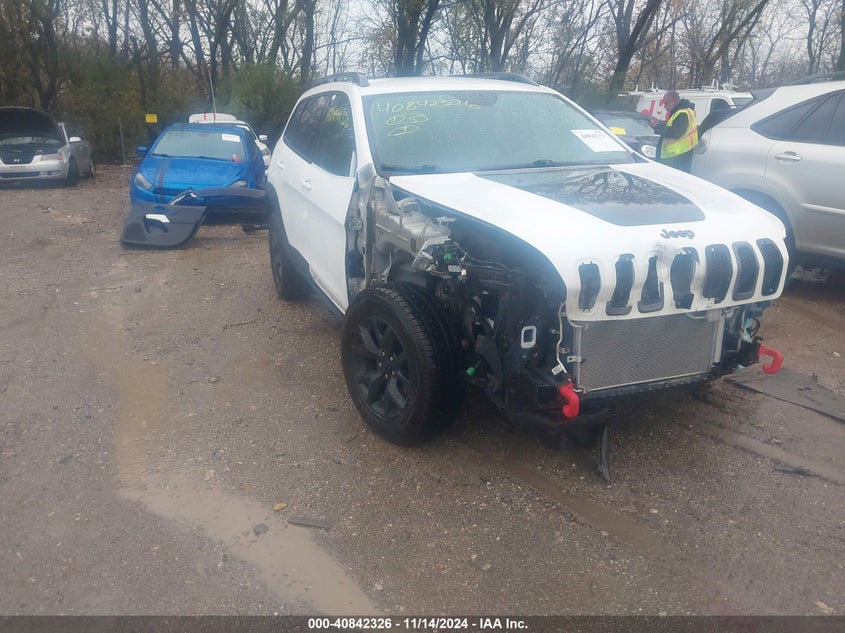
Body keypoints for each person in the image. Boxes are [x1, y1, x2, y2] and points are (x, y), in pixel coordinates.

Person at [648, 90, 699, 172]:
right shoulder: (683, 111)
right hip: (681, 154)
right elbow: (675, 127)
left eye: (666, 103)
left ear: (673, 101)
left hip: (676, 156)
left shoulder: (683, 113)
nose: (664, 106)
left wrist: (658, 127)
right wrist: (661, 124)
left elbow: (675, 133)